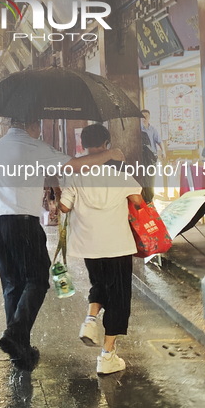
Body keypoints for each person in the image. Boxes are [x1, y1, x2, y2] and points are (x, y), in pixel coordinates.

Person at [0, 117, 70, 371]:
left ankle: (20, 351)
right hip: (21, 223)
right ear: (31, 125)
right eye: (38, 125)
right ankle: (15, 333)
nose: (39, 130)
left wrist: (50, 184)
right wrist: (110, 154)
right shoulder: (33, 145)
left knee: (12, 284)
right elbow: (74, 164)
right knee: (37, 279)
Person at [59, 123, 143, 375]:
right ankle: (107, 356)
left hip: (89, 244)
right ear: (106, 143)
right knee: (118, 297)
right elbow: (138, 201)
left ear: (84, 145)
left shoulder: (75, 175)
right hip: (117, 244)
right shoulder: (120, 174)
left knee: (99, 284)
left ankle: (90, 320)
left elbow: (64, 208)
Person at [141, 109, 164, 204]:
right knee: (143, 177)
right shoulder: (138, 129)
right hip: (142, 157)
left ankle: (150, 199)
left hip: (151, 158)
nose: (144, 118)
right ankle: (144, 199)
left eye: (146, 116)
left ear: (149, 117)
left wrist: (163, 152)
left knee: (151, 178)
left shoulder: (153, 129)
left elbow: (159, 141)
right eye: (142, 116)